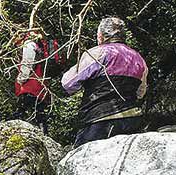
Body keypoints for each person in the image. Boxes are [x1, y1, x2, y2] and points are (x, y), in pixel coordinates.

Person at [62, 17, 148, 147]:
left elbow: (68, 84)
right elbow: (141, 93)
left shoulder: (98, 53)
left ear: (100, 36)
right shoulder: (138, 58)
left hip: (100, 121)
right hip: (132, 120)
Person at [14, 30, 52, 133]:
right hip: (39, 86)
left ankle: (20, 135)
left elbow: (28, 63)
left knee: (22, 115)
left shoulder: (28, 45)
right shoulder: (37, 44)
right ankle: (44, 135)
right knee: (40, 114)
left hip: (30, 87)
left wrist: (20, 79)